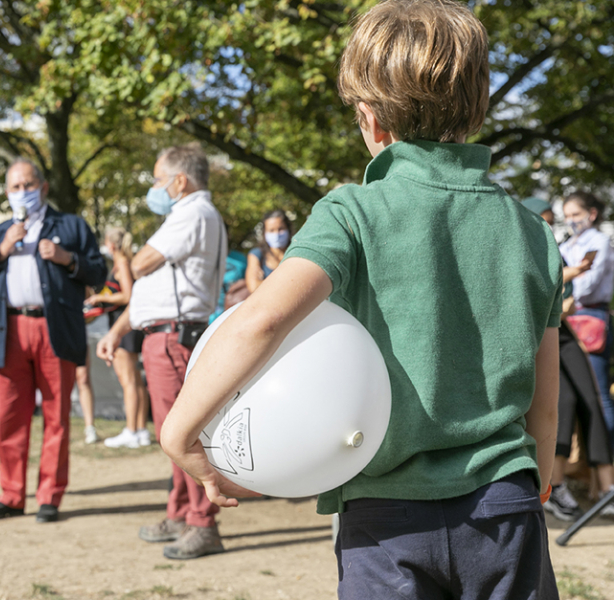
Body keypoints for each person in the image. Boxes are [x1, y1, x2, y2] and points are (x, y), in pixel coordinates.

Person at [159, 2, 563, 597]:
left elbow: (261, 320)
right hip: (507, 505)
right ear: (476, 109)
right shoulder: (534, 232)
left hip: (386, 516)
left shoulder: (352, 212)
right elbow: (544, 400)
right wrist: (538, 481)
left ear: (371, 120)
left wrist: (179, 429)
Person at [98, 144, 227, 560]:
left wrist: (124, 256)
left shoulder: (191, 213)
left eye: (158, 179)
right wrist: (119, 329)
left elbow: (141, 265)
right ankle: (181, 512)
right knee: (171, 434)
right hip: (164, 331)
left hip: (174, 336)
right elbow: (148, 291)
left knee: (181, 432)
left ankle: (202, 522)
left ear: (180, 181)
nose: (155, 188)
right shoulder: (186, 215)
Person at [0, 158, 106, 523]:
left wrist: (66, 259)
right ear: (7, 192)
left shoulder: (71, 226)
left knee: (57, 415)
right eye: (14, 187)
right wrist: (2, 249)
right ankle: (11, 495)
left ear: (43, 188)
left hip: (53, 329)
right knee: (11, 416)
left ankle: (49, 496)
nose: (22, 193)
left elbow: (99, 273)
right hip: (8, 331)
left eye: (28, 185)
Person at [522, 196, 614, 521]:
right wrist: (572, 274)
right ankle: (551, 486)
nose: (550, 225)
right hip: (546, 332)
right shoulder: (523, 244)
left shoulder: (555, 246)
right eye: (544, 218)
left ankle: (606, 487)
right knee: (563, 402)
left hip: (565, 331)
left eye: (552, 218)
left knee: (592, 399)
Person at [86, 227, 150, 449]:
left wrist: (99, 298)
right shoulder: (127, 262)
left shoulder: (121, 263)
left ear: (110, 244)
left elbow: (129, 295)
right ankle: (141, 430)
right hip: (129, 325)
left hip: (124, 326)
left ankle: (131, 430)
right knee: (136, 380)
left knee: (128, 381)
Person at [559, 191, 614, 441]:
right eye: (567, 215)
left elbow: (586, 286)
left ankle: (609, 465)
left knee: (599, 393)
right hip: (565, 321)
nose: (571, 220)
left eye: (576, 214)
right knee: (573, 395)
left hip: (591, 317)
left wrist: (567, 282)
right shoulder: (565, 245)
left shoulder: (600, 242)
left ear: (592, 214)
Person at [245, 210, 292, 294]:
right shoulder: (257, 254)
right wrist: (289, 282)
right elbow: (253, 286)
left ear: (288, 229)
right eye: (271, 230)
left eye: (280, 229)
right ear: (264, 232)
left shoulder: (295, 252)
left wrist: (264, 282)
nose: (276, 234)